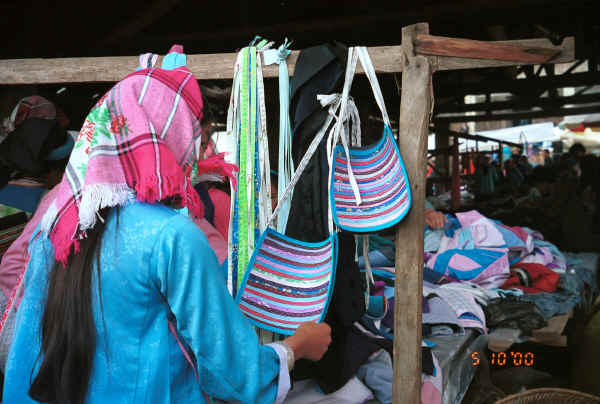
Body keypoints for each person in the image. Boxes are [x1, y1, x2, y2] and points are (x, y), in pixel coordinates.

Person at [2, 61, 331, 404]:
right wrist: (296, 347)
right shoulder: (173, 235)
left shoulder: (57, 225)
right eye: (193, 133)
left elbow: (24, 355)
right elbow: (231, 371)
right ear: (171, 138)